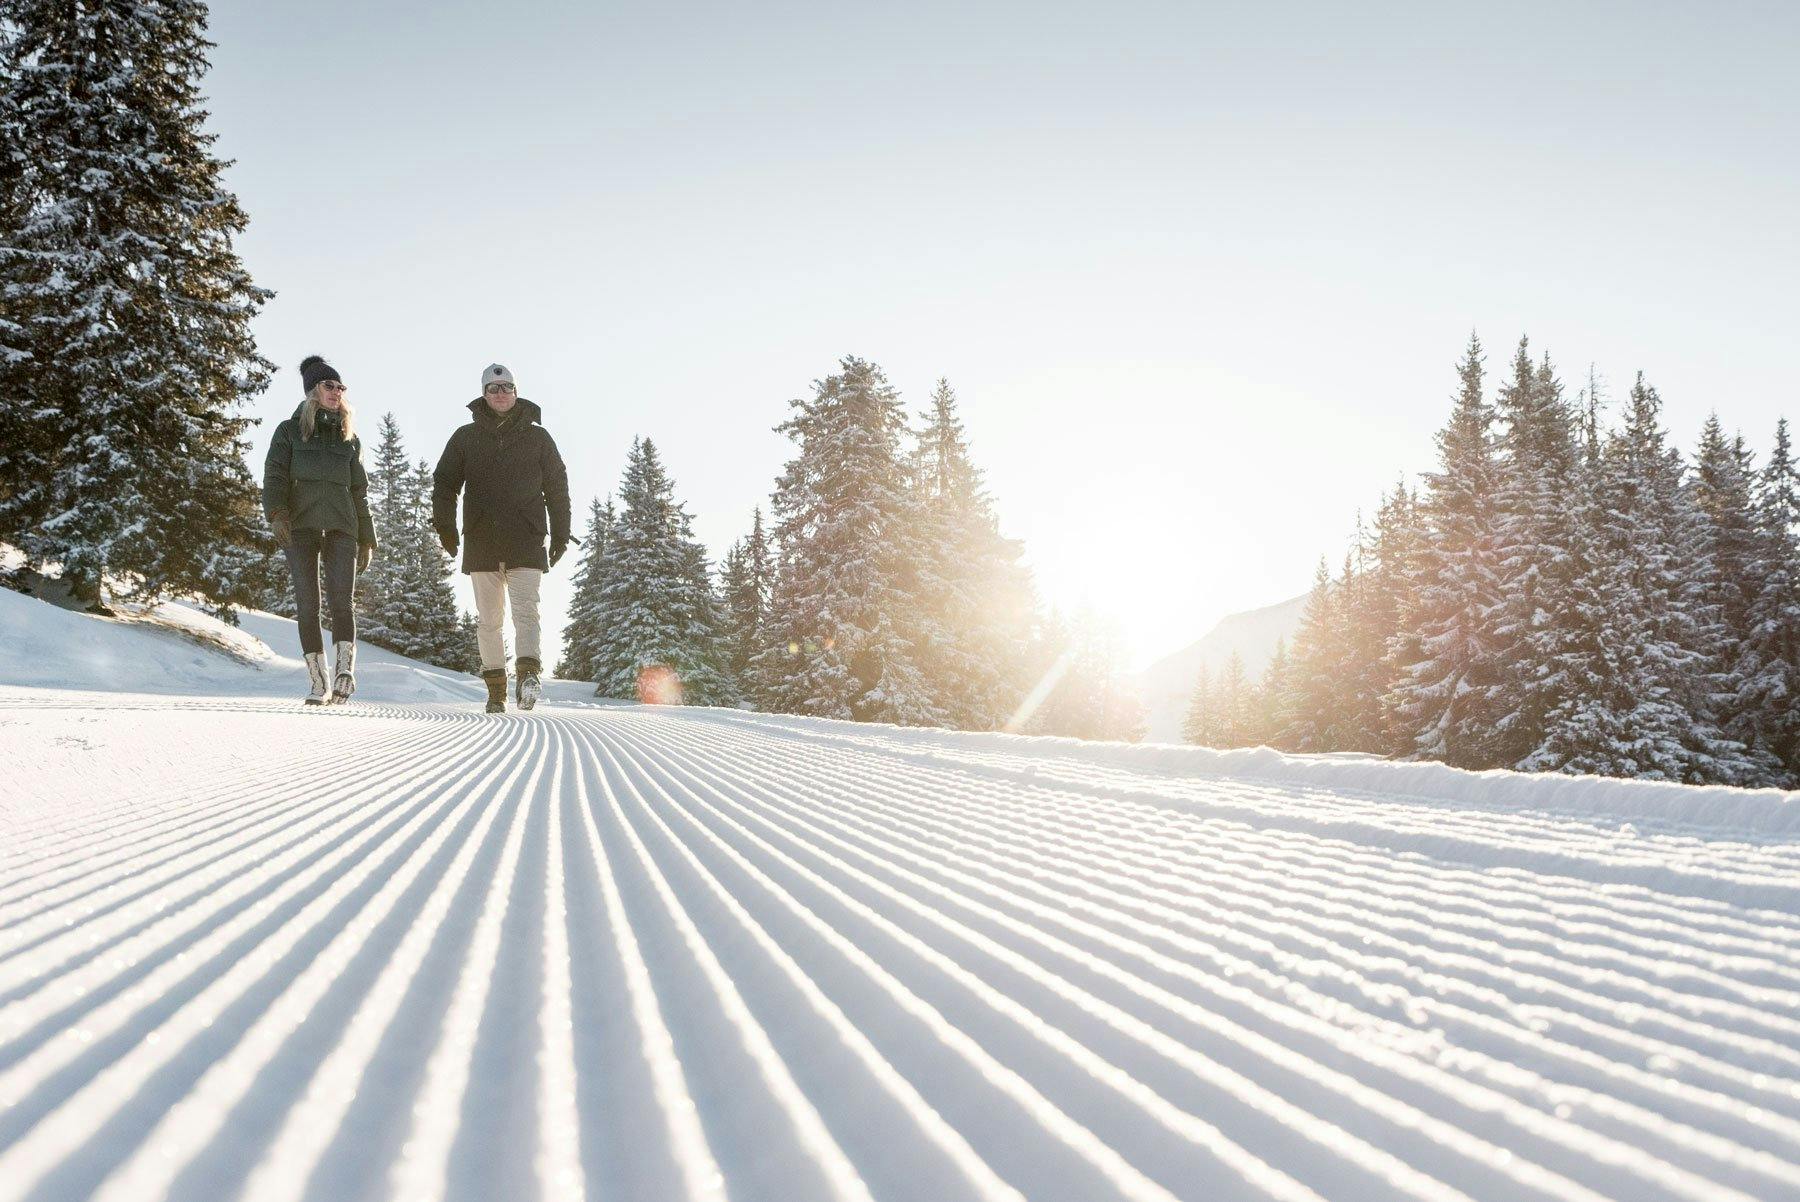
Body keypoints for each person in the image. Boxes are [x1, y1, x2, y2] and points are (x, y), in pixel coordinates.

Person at [432, 363, 571, 713]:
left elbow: (557, 487)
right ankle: (496, 691)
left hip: (527, 538)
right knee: (489, 619)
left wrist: (561, 533)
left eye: (506, 387)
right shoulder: (465, 437)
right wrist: (445, 526)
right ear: (483, 394)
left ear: (516, 392)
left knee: (526, 612)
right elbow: (445, 483)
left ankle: (527, 677)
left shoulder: (538, 438)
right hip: (482, 539)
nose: (500, 393)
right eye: (493, 388)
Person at [263, 355, 376, 704]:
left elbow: (359, 492)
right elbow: (275, 475)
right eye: (330, 385)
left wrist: (367, 539)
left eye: (341, 387)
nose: (337, 391)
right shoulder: (288, 431)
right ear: (313, 390)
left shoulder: (349, 439)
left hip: (343, 528)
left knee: (343, 603)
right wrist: (277, 513)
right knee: (308, 604)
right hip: (300, 528)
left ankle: (344, 673)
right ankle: (318, 681)